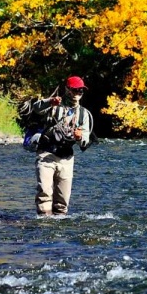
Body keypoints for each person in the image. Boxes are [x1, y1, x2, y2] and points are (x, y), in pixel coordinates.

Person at [30, 75, 92, 216]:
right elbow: (36, 108)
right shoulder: (54, 105)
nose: (78, 93)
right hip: (47, 153)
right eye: (75, 90)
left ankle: (60, 225)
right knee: (44, 191)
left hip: (66, 158)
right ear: (67, 89)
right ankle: (44, 222)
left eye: (81, 90)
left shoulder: (84, 114)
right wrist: (50, 101)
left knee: (63, 200)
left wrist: (80, 137)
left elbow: (86, 140)